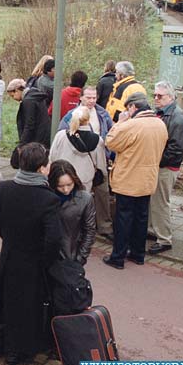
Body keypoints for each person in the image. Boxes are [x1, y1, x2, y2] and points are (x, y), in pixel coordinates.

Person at [0, 142, 62, 365]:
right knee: (26, 307)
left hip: (9, 254)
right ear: (42, 168)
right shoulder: (48, 199)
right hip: (33, 260)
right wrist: (45, 259)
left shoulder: (4, 189)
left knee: (4, 301)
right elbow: (53, 239)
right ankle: (15, 353)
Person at [103, 92, 168, 269]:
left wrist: (120, 122)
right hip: (148, 180)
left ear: (132, 107)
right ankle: (138, 254)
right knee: (141, 218)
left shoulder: (131, 125)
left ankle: (118, 257)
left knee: (123, 218)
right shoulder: (160, 124)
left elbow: (110, 142)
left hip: (128, 180)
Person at [57, 86, 114, 239]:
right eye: (88, 97)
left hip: (96, 161)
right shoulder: (71, 116)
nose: (91, 101)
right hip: (87, 165)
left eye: (94, 97)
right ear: (81, 98)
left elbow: (111, 132)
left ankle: (104, 225)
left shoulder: (102, 113)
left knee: (102, 193)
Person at [147, 81, 183, 255]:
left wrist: (157, 161)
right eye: (155, 95)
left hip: (165, 167)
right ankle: (153, 230)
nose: (156, 98)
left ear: (170, 97)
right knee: (153, 201)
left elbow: (176, 149)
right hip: (159, 164)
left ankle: (164, 238)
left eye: (160, 96)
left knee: (160, 202)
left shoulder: (177, 118)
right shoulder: (161, 113)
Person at [48, 159, 96, 264]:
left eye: (69, 184)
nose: (66, 190)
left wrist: (81, 258)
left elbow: (90, 230)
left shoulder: (85, 199)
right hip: (47, 256)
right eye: (60, 186)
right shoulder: (46, 197)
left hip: (71, 256)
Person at [49, 106, 107, 192]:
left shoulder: (60, 135)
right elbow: (101, 165)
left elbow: (52, 158)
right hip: (85, 180)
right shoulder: (97, 140)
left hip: (61, 179)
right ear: (88, 120)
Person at [7, 78, 51, 148]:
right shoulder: (35, 96)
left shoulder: (28, 101)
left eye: (12, 96)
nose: (14, 98)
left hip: (36, 140)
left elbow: (29, 124)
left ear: (17, 90)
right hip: (44, 137)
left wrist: (22, 144)